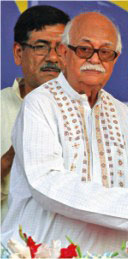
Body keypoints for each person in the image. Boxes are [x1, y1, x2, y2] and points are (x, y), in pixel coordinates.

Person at [1, 12, 128, 254]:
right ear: (65, 53)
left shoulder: (126, 116)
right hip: (45, 253)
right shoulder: (39, 103)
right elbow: (46, 182)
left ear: (115, 60)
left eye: (105, 52)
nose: (95, 59)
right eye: (85, 49)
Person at [1, 5, 70, 222]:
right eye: (41, 47)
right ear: (18, 53)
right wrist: (12, 155)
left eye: (62, 48)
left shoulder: (89, 112)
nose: (53, 58)